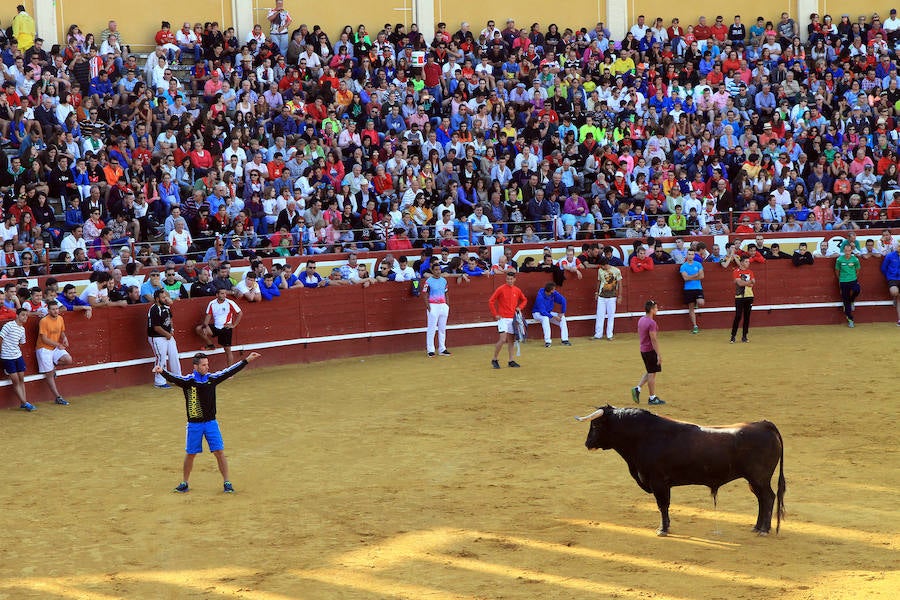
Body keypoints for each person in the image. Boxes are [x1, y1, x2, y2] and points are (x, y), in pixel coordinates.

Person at [153, 351, 262, 494]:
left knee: (219, 452)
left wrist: (246, 360)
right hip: (194, 425)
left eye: (207, 364)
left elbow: (229, 371)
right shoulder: (188, 381)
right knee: (191, 453)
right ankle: (184, 482)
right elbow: (174, 378)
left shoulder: (212, 379)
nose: (207, 367)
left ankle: (227, 482)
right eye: (204, 365)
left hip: (211, 423)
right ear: (196, 366)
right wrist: (162, 371)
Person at [36, 300, 73, 405]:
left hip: (54, 347)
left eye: (57, 309)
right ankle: (58, 397)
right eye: (53, 309)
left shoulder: (60, 318)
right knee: (49, 374)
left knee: (68, 359)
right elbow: (44, 339)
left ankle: (52, 366)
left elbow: (61, 331)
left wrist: (64, 338)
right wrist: (58, 344)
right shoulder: (44, 321)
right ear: (48, 311)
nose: (56, 311)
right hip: (44, 349)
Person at [488, 270, 527, 369]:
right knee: (502, 339)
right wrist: (495, 314)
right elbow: (491, 301)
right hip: (503, 318)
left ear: (514, 279)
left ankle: (511, 360)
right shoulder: (501, 289)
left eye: (511, 279)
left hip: (512, 318)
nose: (509, 281)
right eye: (508, 279)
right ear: (506, 279)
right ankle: (494, 359)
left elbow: (524, 300)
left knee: (511, 340)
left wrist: (519, 307)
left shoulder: (517, 290)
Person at [196, 288, 243, 365]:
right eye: (222, 293)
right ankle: (210, 345)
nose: (224, 295)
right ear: (217, 295)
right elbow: (208, 315)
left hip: (226, 328)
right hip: (216, 327)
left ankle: (230, 370)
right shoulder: (212, 303)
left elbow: (240, 313)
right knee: (199, 329)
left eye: (225, 293)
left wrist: (234, 325)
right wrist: (204, 326)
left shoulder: (230, 302)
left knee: (227, 350)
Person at [1, 309, 35, 411]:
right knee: (15, 381)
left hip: (17, 356)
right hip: (7, 357)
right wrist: (1, 351)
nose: (25, 317)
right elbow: (0, 338)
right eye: (23, 315)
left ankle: (23, 402)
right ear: (17, 315)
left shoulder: (22, 329)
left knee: (21, 379)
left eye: (26, 315)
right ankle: (25, 403)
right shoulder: (9, 325)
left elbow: (21, 343)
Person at [632, 300, 665, 406]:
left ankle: (637, 388)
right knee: (652, 374)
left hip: (643, 349)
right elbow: (653, 339)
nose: (657, 309)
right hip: (650, 350)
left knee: (650, 370)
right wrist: (658, 354)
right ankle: (652, 398)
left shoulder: (641, 319)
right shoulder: (651, 323)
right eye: (656, 308)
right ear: (651, 309)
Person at [148, 289, 182, 389]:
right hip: (157, 337)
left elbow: (170, 318)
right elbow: (156, 327)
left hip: (167, 335)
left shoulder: (165, 307)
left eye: (165, 297)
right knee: (161, 357)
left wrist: (171, 329)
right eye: (163, 297)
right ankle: (159, 382)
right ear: (157, 299)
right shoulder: (154, 309)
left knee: (174, 355)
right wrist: (167, 334)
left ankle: (177, 378)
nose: (165, 299)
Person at [422, 261, 452, 357]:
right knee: (431, 329)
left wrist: (447, 305)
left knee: (442, 329)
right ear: (432, 271)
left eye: (439, 269)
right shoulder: (428, 281)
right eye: (436, 270)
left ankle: (442, 349)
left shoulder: (444, 281)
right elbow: (425, 294)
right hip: (433, 306)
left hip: (443, 305)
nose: (438, 271)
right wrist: (428, 307)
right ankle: (430, 350)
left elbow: (446, 293)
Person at [532, 282, 571, 348]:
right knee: (545, 318)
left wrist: (562, 312)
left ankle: (565, 340)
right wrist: (553, 317)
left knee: (562, 318)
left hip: (548, 312)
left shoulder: (553, 293)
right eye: (553, 290)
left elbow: (563, 300)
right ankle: (548, 341)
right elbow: (542, 312)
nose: (555, 291)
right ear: (550, 291)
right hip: (537, 313)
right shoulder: (540, 296)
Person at [594, 257, 622, 340]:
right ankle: (598, 334)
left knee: (611, 316)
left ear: (606, 264)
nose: (602, 267)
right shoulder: (600, 270)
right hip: (601, 296)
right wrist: (596, 292)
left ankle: (609, 335)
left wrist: (620, 296)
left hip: (612, 297)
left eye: (603, 266)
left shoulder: (616, 271)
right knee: (600, 315)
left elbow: (620, 284)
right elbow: (599, 282)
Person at [835, 243, 861, 328]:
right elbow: (837, 271)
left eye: (849, 251)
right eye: (846, 251)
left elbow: (857, 270)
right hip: (843, 281)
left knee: (857, 290)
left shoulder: (855, 259)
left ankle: (852, 300)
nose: (847, 252)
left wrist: (854, 277)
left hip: (853, 279)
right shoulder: (839, 259)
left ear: (851, 251)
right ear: (844, 251)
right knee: (846, 301)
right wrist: (841, 279)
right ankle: (850, 320)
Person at [730, 256, 756, 343]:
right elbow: (740, 284)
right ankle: (733, 336)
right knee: (738, 316)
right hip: (739, 297)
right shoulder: (736, 271)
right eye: (746, 261)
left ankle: (744, 336)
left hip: (749, 296)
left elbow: (753, 283)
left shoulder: (750, 272)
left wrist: (745, 283)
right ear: (741, 262)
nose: (748, 263)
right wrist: (748, 282)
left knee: (747, 317)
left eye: (748, 262)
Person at [679, 249, 705, 333]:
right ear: (687, 255)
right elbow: (685, 278)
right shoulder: (683, 266)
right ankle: (695, 326)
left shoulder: (698, 264)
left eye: (692, 254)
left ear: (694, 255)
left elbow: (702, 276)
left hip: (697, 288)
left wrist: (690, 277)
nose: (690, 256)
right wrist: (696, 275)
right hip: (688, 289)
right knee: (691, 308)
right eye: (689, 254)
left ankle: (696, 303)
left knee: (701, 302)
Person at [880, 244, 900, 326]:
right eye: (899, 246)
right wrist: (889, 276)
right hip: (893, 278)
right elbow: (883, 268)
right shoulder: (890, 256)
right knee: (894, 292)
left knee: (899, 299)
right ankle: (896, 296)